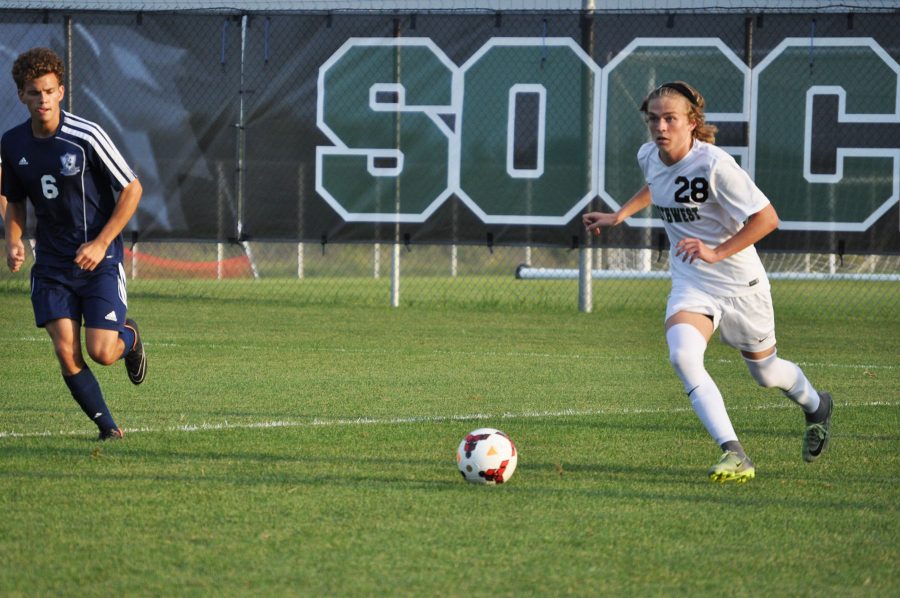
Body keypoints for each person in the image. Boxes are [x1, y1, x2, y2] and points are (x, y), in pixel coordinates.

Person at [583, 81, 832, 483]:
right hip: (692, 282)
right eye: (654, 119)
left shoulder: (715, 164)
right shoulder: (649, 155)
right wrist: (620, 214)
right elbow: (656, 186)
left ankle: (817, 406)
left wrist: (716, 251)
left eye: (670, 119)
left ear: (692, 122)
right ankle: (734, 453)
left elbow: (768, 219)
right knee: (682, 356)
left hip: (740, 284)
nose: (660, 127)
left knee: (766, 373)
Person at [2, 47, 147, 441]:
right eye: (35, 92)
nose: (43, 99)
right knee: (65, 350)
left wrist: (101, 243)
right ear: (22, 96)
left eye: (49, 91)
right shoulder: (12, 143)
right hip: (51, 264)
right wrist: (12, 240)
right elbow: (14, 200)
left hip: (96, 262)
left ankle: (130, 338)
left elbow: (132, 189)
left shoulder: (87, 136)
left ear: (61, 92)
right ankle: (108, 429)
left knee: (102, 352)